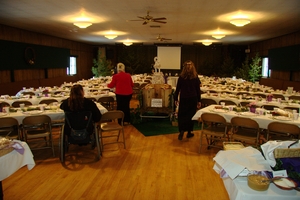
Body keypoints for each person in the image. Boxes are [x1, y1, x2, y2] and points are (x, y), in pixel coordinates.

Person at [174, 60, 201, 140]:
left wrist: (175, 98)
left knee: (182, 115)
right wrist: (199, 101)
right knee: (191, 116)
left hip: (184, 98)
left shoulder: (181, 77)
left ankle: (181, 131)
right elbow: (198, 90)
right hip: (193, 98)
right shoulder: (195, 78)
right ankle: (189, 132)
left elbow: (177, 89)